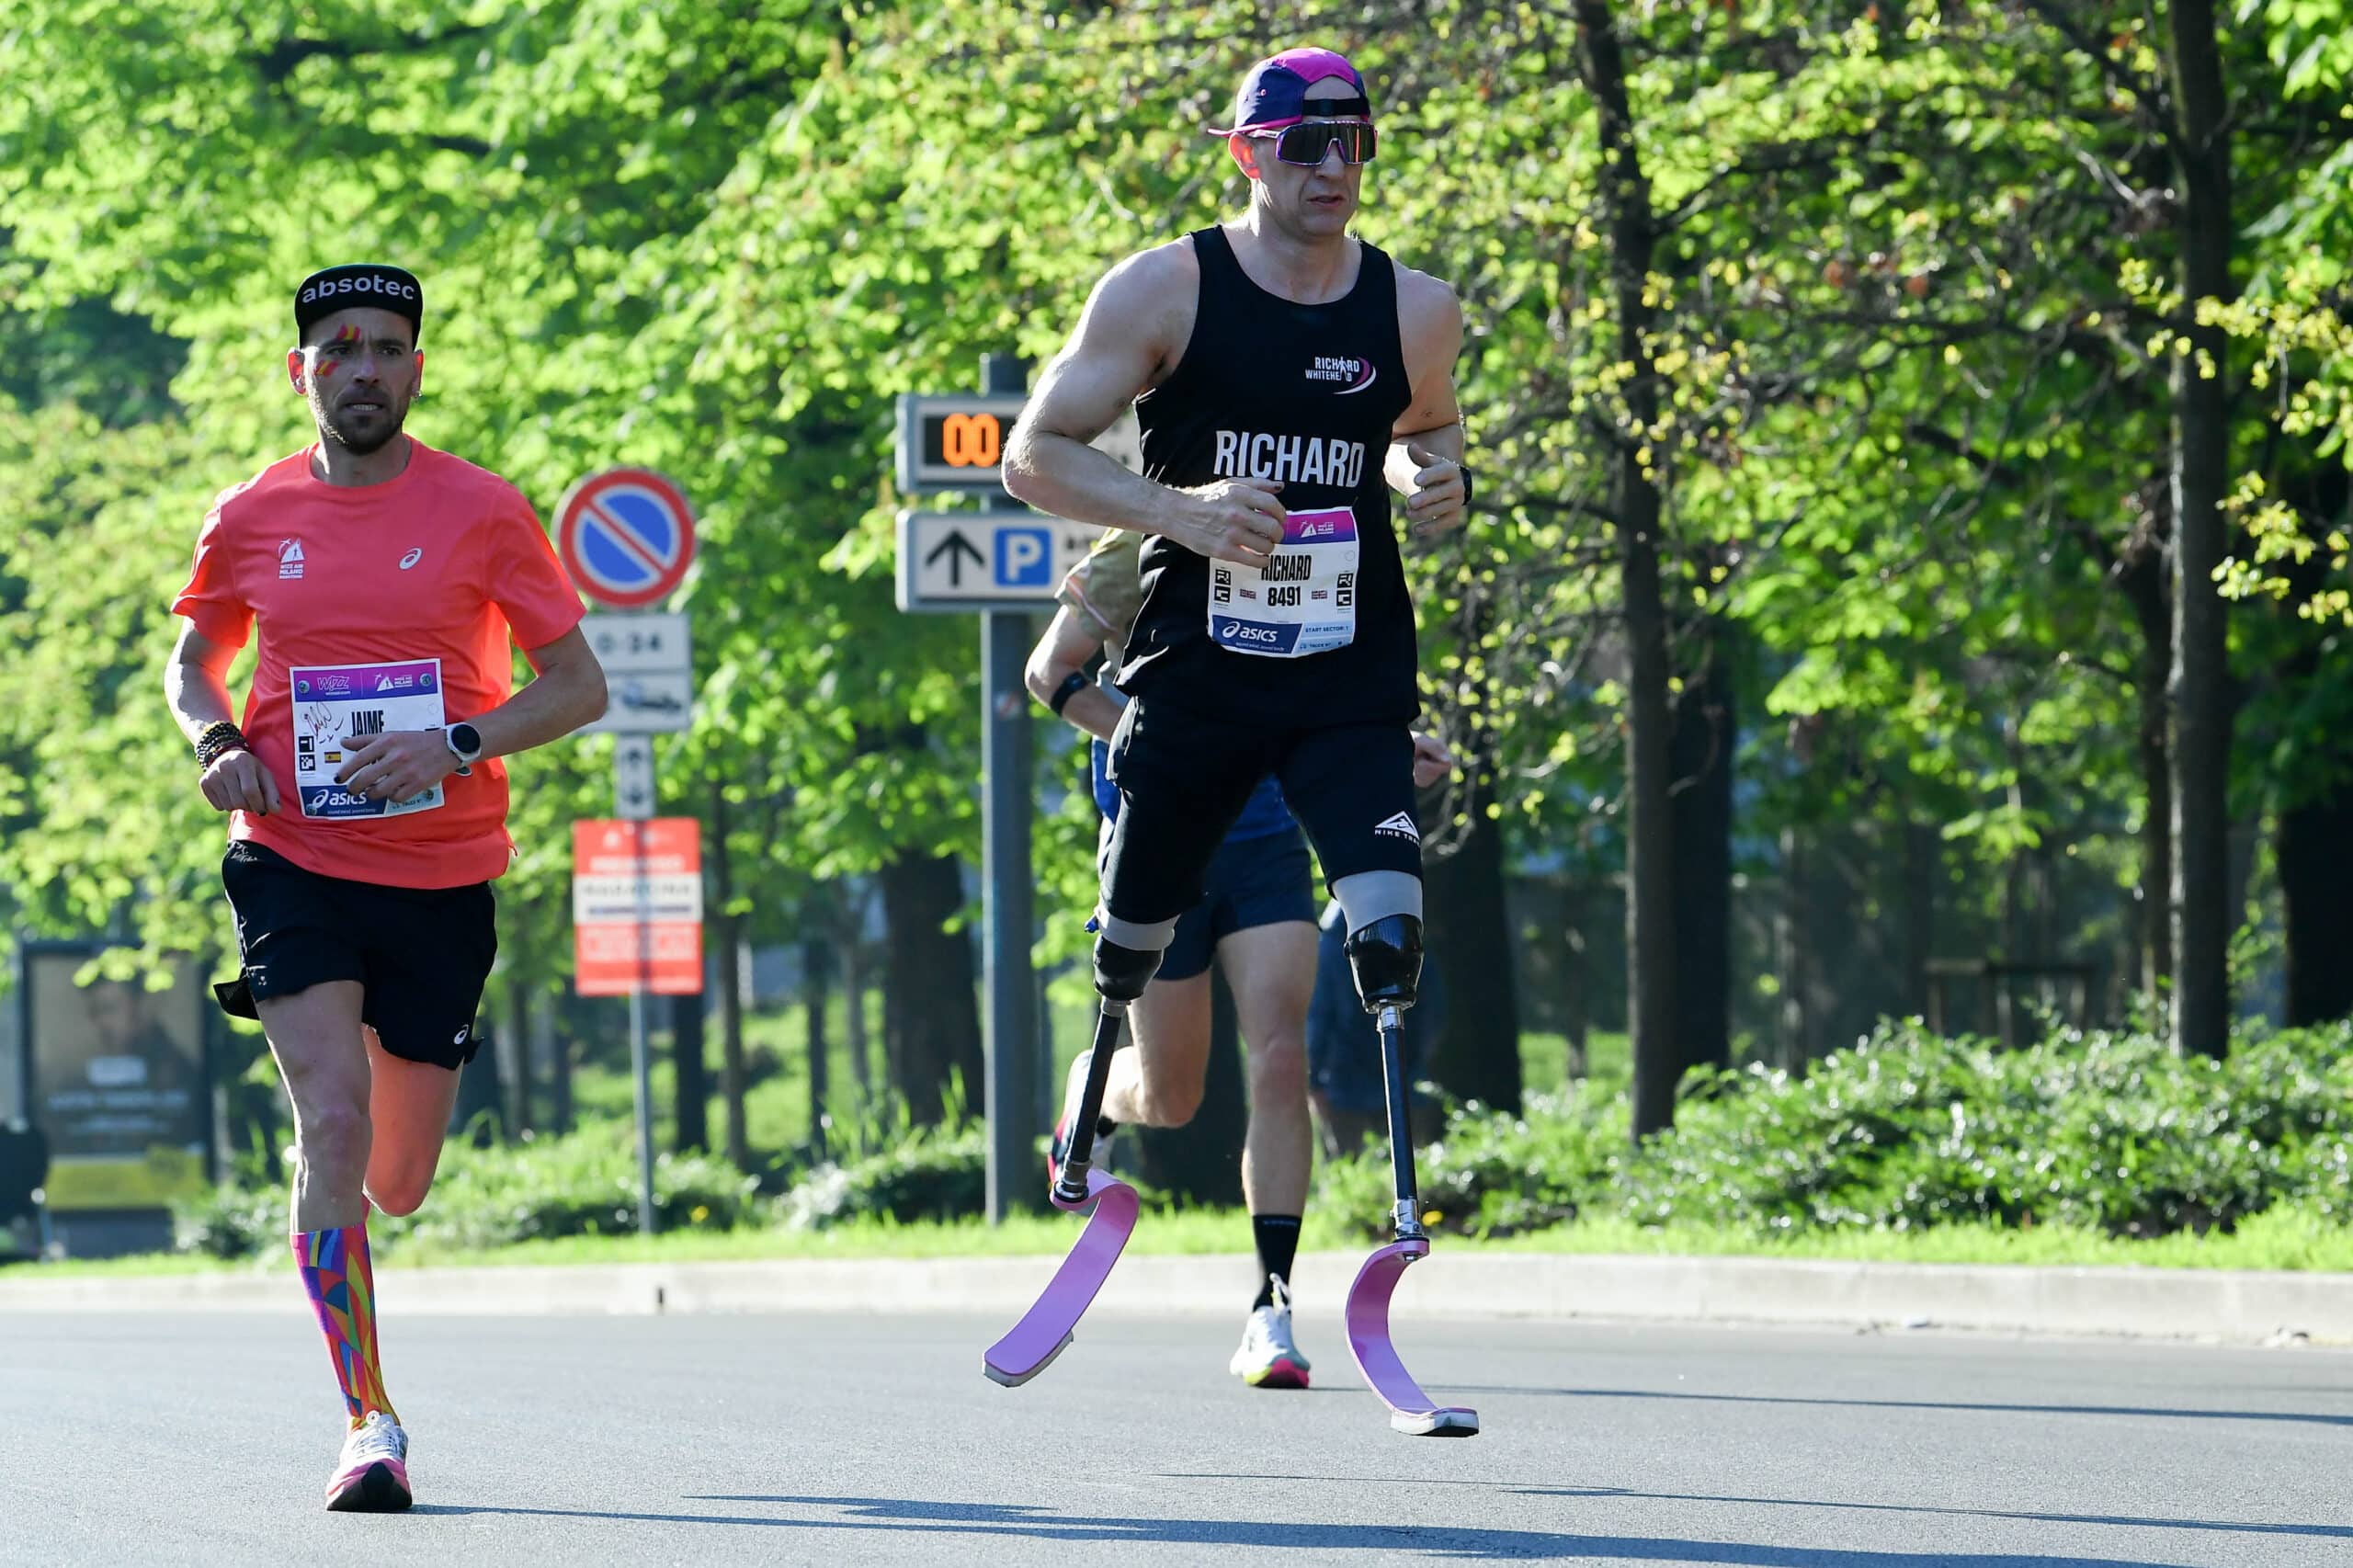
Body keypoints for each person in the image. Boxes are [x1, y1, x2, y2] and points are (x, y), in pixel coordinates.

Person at [1002, 45, 1467, 1268]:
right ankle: (1092, 1096)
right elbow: (1032, 455)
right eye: (1303, 141)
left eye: (1352, 139)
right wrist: (1184, 511)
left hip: (1344, 685)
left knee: (1384, 942)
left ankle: (1284, 1286)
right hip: (1197, 688)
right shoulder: (1166, 291)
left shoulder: (1416, 308)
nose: (1332, 164)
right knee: (1148, 991)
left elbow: (1424, 425)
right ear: (1246, 151)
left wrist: (1428, 475)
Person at [163, 262, 607, 1513]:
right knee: (334, 1121)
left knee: (398, 1175)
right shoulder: (250, 513)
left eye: (387, 347)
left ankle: (344, 1205)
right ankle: (368, 1416)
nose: (363, 366)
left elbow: (578, 686)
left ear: (417, 369)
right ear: (301, 369)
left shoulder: (481, 511)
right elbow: (194, 658)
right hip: (291, 857)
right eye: (339, 347)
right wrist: (218, 745)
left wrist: (456, 743)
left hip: (442, 871)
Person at [1027, 530, 1453, 1387]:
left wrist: (1387, 756)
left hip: (1265, 848)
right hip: (1162, 843)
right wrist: (1156, 743)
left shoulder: (1326, 540)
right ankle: (1098, 1088)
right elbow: (1051, 674)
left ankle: (1272, 1307)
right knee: (1172, 1097)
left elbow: (1328, 702)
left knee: (1281, 1057)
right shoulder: (1140, 542)